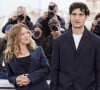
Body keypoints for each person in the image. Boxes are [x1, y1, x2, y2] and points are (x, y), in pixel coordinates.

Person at [51, 2, 100, 90]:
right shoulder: (59, 41)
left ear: (86, 17)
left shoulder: (96, 41)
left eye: (81, 14)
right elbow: (54, 69)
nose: (77, 18)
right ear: (70, 16)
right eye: (74, 14)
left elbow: (98, 69)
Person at [4, 23, 50, 90]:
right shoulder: (8, 55)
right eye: (22, 34)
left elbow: (46, 69)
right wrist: (16, 79)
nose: (27, 36)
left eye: (27, 33)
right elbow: (10, 76)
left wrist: (30, 78)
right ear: (15, 37)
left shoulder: (38, 50)